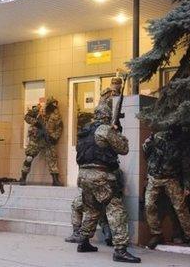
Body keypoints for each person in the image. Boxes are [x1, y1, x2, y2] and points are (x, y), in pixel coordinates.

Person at [75, 103, 140, 263]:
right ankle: (120, 250)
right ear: (106, 116)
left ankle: (83, 242)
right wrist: (117, 131)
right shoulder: (105, 129)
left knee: (91, 210)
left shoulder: (85, 130)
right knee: (116, 210)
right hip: (100, 176)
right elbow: (123, 148)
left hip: (83, 176)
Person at [143, 123, 190, 248]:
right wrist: (148, 142)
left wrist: (187, 186)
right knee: (149, 205)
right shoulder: (158, 138)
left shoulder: (181, 145)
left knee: (180, 207)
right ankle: (156, 234)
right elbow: (146, 152)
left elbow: (187, 167)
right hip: (154, 177)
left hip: (171, 178)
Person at [19, 97, 63, 186]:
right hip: (36, 139)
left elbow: (59, 127)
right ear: (48, 104)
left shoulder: (56, 114)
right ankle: (23, 178)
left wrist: (54, 137)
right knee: (29, 158)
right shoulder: (39, 110)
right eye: (53, 104)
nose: (54, 107)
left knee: (52, 159)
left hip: (48, 139)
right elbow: (27, 117)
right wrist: (35, 122)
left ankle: (55, 180)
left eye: (55, 105)